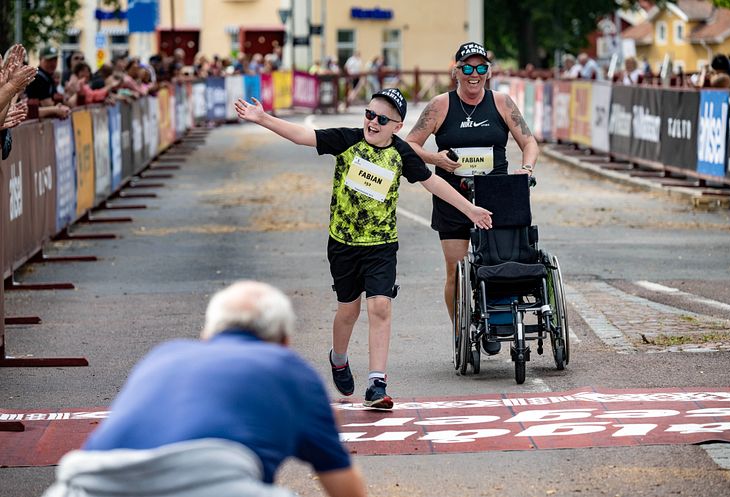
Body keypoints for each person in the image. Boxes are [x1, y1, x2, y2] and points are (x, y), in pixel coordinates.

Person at [234, 88, 492, 409]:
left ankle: (376, 383)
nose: (372, 122)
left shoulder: (401, 153)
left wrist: (470, 210)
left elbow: (433, 183)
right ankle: (339, 358)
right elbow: (302, 135)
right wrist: (263, 118)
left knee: (380, 307)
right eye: (369, 114)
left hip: (382, 245)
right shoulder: (347, 140)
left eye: (382, 119)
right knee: (348, 310)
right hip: (343, 244)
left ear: (397, 126)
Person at [42, 280, 366, 497]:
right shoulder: (290, 369)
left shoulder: (164, 354)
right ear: (284, 341)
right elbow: (345, 489)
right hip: (211, 481)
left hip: (85, 481)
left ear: (207, 334)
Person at [404, 41, 538, 350]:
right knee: (455, 268)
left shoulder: (502, 103)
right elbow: (410, 144)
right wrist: (436, 159)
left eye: (480, 68)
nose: (473, 74)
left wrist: (526, 168)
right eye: (467, 67)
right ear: (456, 72)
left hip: (496, 194)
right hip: (453, 196)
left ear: (488, 72)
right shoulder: (440, 105)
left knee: (501, 261)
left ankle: (496, 321)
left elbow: (529, 142)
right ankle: (462, 329)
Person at [23, 45, 70, 119]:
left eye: (55, 60)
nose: (53, 63)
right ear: (40, 59)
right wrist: (58, 109)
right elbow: (47, 104)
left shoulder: (48, 77)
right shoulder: (38, 78)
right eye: (49, 60)